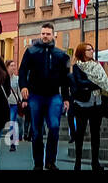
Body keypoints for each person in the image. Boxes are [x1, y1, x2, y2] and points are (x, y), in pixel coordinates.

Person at [17, 23, 71, 171]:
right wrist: (24, 87)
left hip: (54, 96)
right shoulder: (31, 52)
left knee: (54, 127)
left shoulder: (61, 55)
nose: (45, 36)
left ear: (53, 35)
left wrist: (66, 98)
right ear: (40, 35)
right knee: (36, 131)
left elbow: (65, 79)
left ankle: (50, 161)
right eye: (43, 34)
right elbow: (22, 71)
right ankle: (38, 163)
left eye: (48, 34)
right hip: (35, 96)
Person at [67, 42, 108, 171]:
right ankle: (78, 162)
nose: (92, 51)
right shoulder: (77, 67)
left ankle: (95, 162)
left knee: (95, 134)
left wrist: (93, 84)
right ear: (82, 52)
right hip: (82, 104)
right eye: (88, 50)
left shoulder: (97, 65)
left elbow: (104, 81)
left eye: (92, 49)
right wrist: (95, 84)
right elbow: (80, 83)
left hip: (97, 104)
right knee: (80, 134)